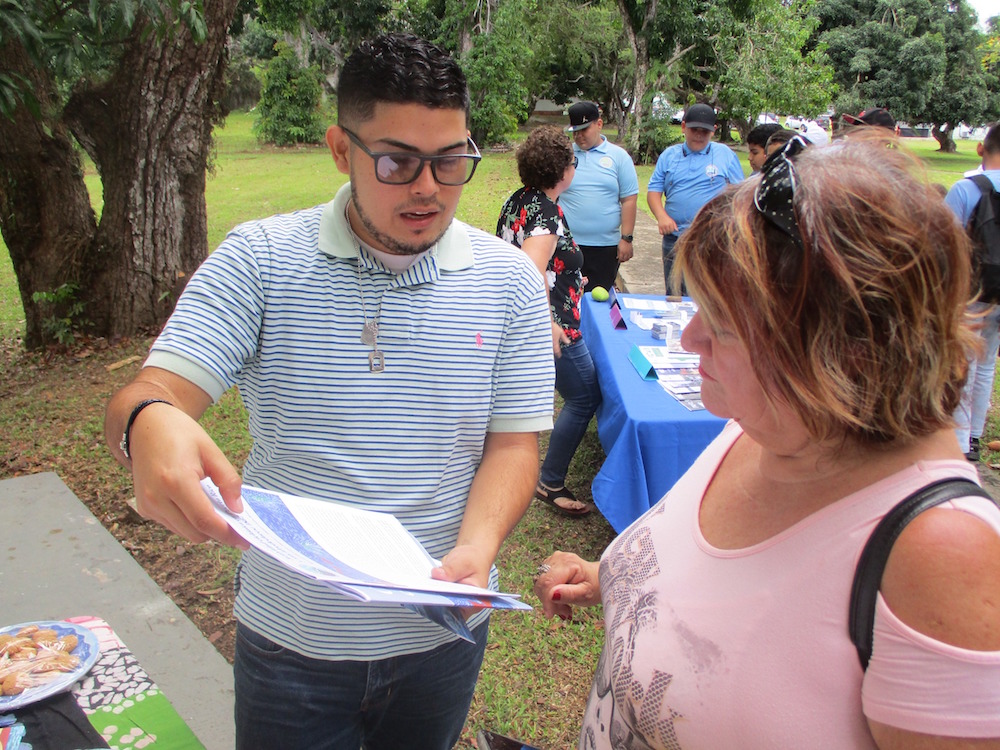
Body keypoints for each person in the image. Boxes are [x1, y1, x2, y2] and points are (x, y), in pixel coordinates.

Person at [104, 33, 556, 750]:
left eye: (450, 161)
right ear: (340, 150)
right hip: (294, 639)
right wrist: (149, 424)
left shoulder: (508, 285)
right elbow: (150, 392)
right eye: (397, 161)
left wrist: (479, 542)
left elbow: (513, 443)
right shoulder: (261, 260)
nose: (428, 188)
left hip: (444, 628)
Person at [534, 135, 1000, 748]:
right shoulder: (765, 426)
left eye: (723, 325)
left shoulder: (944, 555)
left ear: (844, 353)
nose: (691, 338)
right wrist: (612, 576)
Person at [496, 125, 600, 518]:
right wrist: (549, 322)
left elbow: (540, 262)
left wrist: (572, 277)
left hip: (535, 317)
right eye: (573, 162)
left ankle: (548, 475)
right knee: (585, 395)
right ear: (563, 170)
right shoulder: (547, 211)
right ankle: (550, 480)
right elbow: (529, 267)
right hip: (551, 326)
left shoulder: (522, 199)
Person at [646, 103, 744, 291]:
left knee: (707, 295)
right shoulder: (669, 155)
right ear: (683, 127)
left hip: (711, 238)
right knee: (674, 293)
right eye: (694, 130)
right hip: (674, 238)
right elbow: (654, 191)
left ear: (713, 131)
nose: (699, 135)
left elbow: (739, 194)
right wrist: (662, 216)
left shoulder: (725, 155)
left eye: (704, 131)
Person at [948, 122, 1000, 461]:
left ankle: (961, 442)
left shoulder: (967, 189)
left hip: (972, 292)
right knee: (986, 366)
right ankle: (977, 437)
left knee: (961, 366)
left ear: (982, 147)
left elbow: (944, 245)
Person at [559, 101, 640, 292]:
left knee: (598, 299)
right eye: (575, 131)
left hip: (605, 247)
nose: (579, 136)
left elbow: (629, 199)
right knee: (566, 300)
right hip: (567, 243)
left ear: (599, 124)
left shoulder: (618, 157)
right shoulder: (564, 154)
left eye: (584, 130)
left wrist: (626, 238)